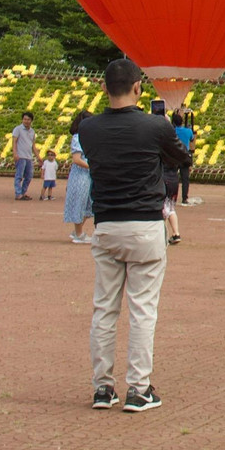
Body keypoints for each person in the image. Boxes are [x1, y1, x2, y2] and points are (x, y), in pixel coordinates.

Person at [79, 58, 192, 412]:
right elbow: (182, 159)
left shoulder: (88, 129)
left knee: (104, 310)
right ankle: (139, 389)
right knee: (142, 310)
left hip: (107, 225)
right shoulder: (154, 127)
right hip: (144, 225)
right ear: (138, 88)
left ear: (104, 89)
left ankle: (103, 388)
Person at [62, 112, 93, 243]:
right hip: (81, 174)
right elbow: (76, 159)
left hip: (87, 174)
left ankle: (77, 231)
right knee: (80, 202)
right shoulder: (77, 137)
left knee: (89, 203)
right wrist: (92, 166)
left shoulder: (86, 137)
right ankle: (79, 233)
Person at [11, 111, 38, 200]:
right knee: (19, 176)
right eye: (24, 119)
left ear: (31, 121)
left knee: (29, 176)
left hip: (29, 157)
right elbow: (14, 142)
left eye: (28, 119)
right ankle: (18, 193)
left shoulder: (32, 131)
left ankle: (23, 192)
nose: (26, 121)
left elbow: (33, 145)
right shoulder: (17, 129)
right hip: (20, 156)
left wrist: (38, 157)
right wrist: (15, 153)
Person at [171, 112, 194, 206]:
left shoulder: (172, 131)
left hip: (175, 155)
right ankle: (184, 198)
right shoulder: (188, 131)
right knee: (185, 179)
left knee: (173, 177)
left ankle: (172, 197)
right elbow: (192, 139)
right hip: (185, 155)